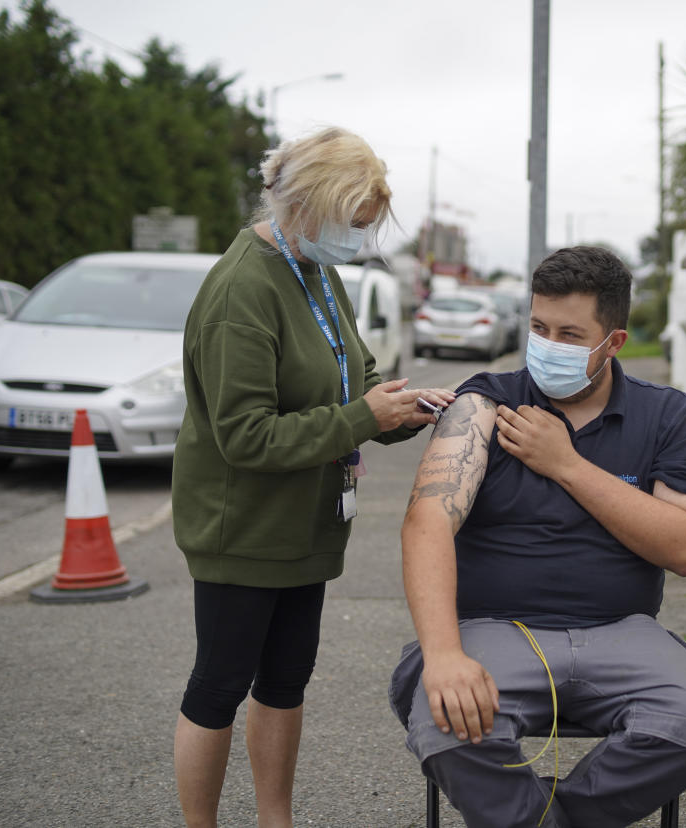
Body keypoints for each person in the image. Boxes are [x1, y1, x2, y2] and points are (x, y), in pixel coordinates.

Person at [171, 126, 455, 828]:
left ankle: (277, 821)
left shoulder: (318, 272)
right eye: (350, 223)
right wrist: (362, 417)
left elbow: (354, 376)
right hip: (244, 529)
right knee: (218, 688)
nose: (356, 240)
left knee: (286, 683)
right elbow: (244, 436)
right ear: (305, 205)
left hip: (306, 527)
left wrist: (401, 410)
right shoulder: (243, 286)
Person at [390, 246, 686, 827]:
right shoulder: (485, 403)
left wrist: (566, 464)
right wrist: (444, 656)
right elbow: (427, 523)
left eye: (571, 334)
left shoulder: (668, 416)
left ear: (614, 342)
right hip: (493, 630)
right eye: (539, 328)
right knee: (446, 724)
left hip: (622, 633)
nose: (549, 346)